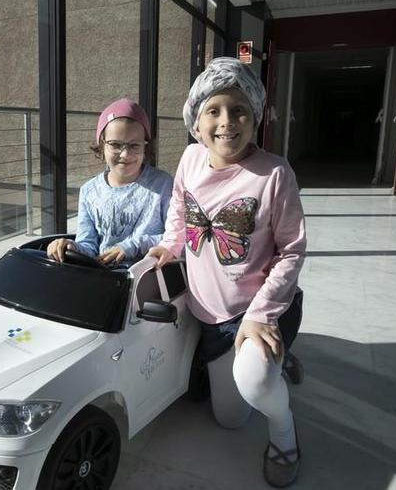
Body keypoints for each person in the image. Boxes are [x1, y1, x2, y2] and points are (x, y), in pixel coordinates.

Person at [147, 57, 306, 487]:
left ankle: (285, 436)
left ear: (255, 116)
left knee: (255, 384)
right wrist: (168, 245)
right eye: (213, 110)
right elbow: (180, 212)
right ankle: (278, 362)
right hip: (209, 319)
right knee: (231, 420)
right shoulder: (190, 159)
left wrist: (260, 314)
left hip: (257, 311)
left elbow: (292, 249)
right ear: (195, 123)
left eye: (239, 110)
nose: (226, 122)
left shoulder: (275, 173)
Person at [47, 98, 173, 267]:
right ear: (102, 145)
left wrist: (131, 246)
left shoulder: (163, 184)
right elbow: (88, 246)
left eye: (134, 145)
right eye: (115, 144)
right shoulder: (89, 191)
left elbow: (176, 237)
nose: (125, 154)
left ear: (146, 147)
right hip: (102, 280)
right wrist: (71, 247)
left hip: (146, 280)